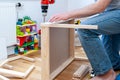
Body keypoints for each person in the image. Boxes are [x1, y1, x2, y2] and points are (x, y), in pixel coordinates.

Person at [49, 0, 120, 80]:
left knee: (85, 28)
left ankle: (105, 74)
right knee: (111, 61)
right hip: (113, 11)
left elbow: (100, 7)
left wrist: (68, 14)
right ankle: (114, 63)